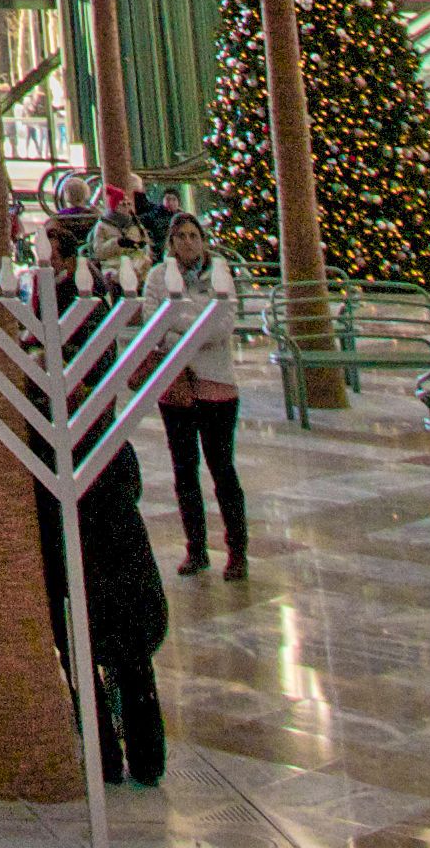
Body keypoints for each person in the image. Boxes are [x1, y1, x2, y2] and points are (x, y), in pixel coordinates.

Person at [38, 440, 169, 786]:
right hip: (121, 568)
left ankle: (106, 760)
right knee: (134, 667)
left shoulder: (47, 449)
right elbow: (133, 487)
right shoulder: (113, 444)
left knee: (86, 672)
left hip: (80, 569)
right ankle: (146, 758)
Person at [156, 211, 249, 581]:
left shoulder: (221, 274)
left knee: (222, 469)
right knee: (184, 470)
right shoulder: (157, 276)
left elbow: (222, 325)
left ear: (204, 239)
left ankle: (237, 550)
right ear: (171, 242)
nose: (188, 242)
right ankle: (196, 548)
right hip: (176, 386)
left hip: (218, 386)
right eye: (181, 236)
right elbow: (155, 323)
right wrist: (196, 324)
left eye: (194, 235)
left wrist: (181, 323)